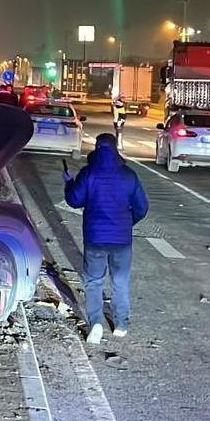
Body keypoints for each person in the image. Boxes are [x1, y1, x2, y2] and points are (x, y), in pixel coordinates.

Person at [65, 133, 149, 344]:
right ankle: (121, 324)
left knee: (94, 281)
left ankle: (96, 322)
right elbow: (142, 207)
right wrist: (127, 224)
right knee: (120, 282)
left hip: (95, 238)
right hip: (121, 241)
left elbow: (74, 200)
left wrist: (69, 183)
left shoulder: (89, 173)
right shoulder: (128, 175)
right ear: (115, 149)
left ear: (97, 148)